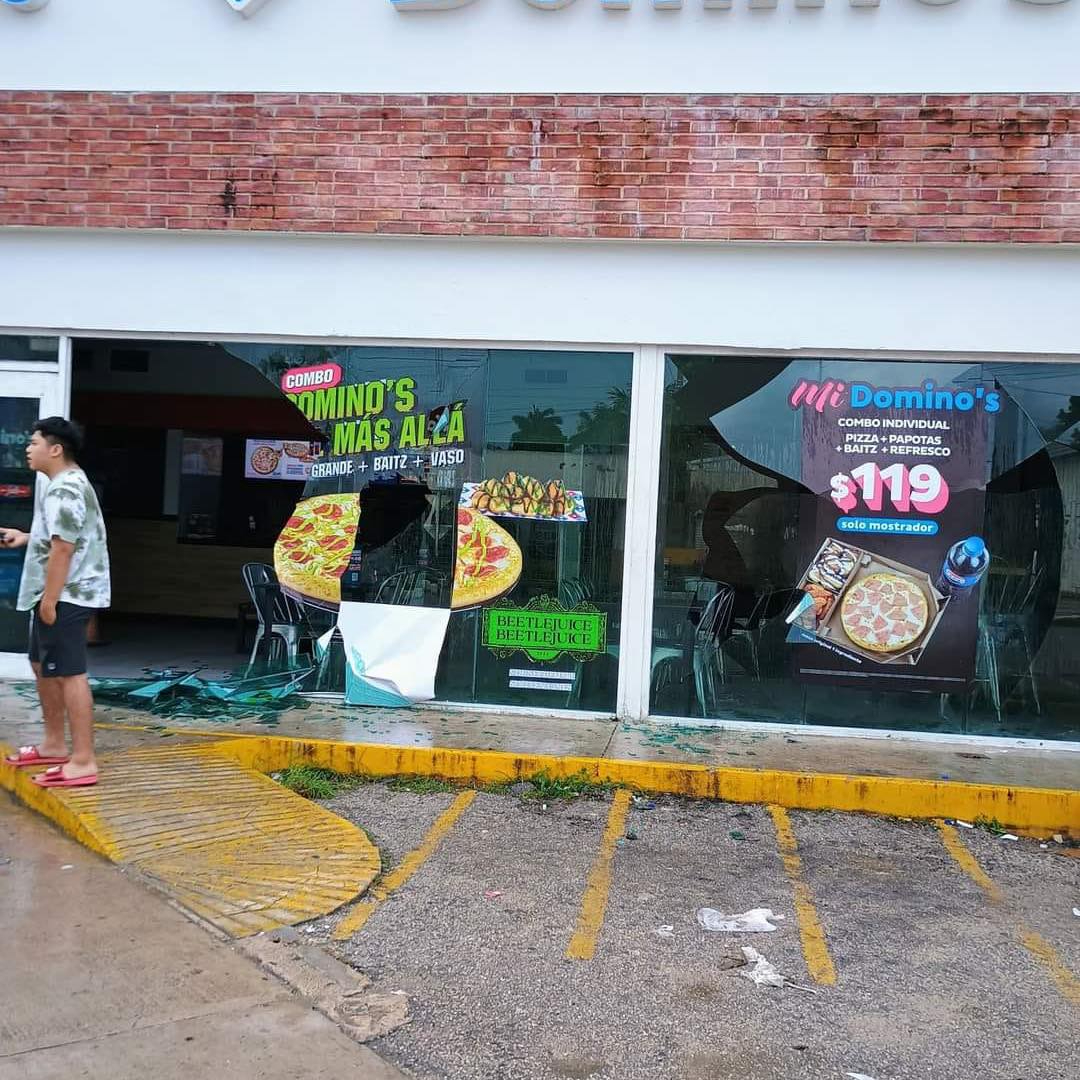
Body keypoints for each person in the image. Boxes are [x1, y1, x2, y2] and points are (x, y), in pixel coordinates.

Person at [1, 418, 110, 788]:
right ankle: (53, 743)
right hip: (55, 591)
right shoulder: (59, 486)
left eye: (33, 443)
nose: (27, 449)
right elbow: (60, 536)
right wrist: (26, 537)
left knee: (69, 673)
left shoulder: (65, 488)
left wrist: (50, 599)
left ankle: (83, 761)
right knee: (41, 665)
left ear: (55, 448)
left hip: (67, 593)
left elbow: (64, 548)